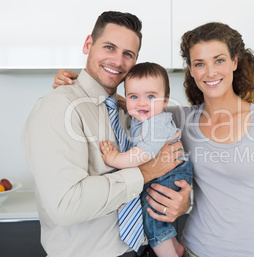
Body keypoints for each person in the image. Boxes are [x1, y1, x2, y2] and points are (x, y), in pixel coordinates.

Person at [53, 22, 254, 257]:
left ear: (234, 61)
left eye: (218, 60)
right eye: (199, 63)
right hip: (192, 250)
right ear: (191, 69)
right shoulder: (179, 119)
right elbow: (134, 103)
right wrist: (77, 84)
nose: (209, 72)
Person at [21, 11, 191, 257]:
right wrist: (145, 173)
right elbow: (65, 206)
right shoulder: (57, 108)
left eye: (128, 54)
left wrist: (180, 203)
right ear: (88, 44)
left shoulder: (132, 110)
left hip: (143, 249)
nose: (117, 61)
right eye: (109, 47)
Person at [100, 62, 193, 257]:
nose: (142, 103)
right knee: (154, 213)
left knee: (154, 218)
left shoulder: (156, 123)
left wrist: (116, 159)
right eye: (134, 96)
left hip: (172, 171)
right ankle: (175, 247)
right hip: (166, 171)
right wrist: (124, 103)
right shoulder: (144, 115)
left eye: (151, 97)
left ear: (165, 100)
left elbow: (143, 154)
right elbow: (134, 109)